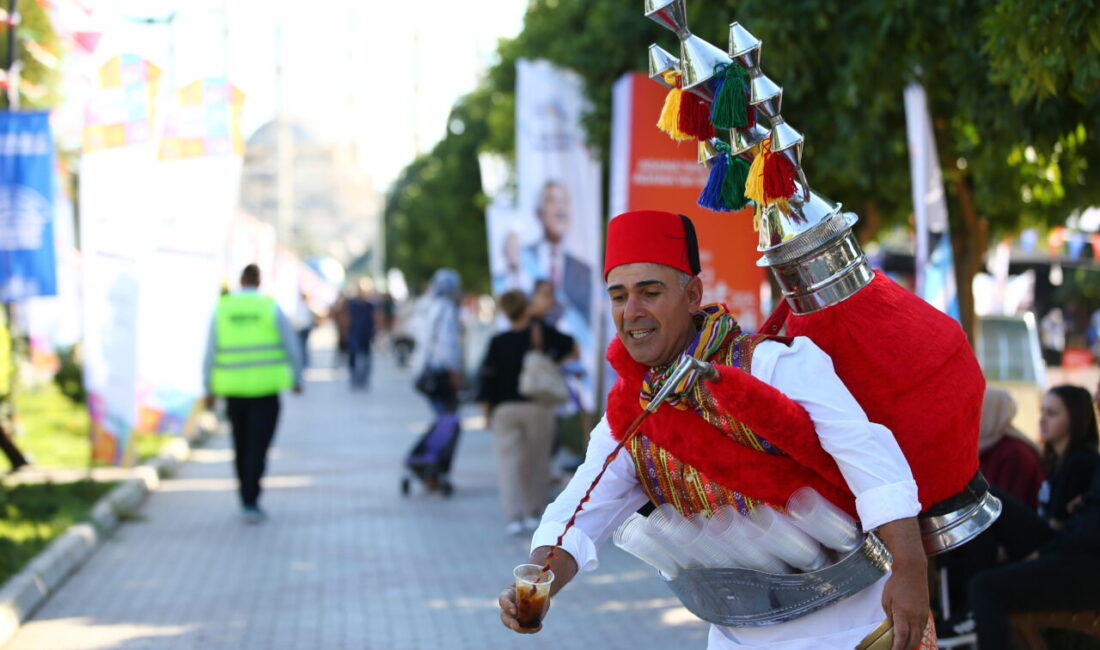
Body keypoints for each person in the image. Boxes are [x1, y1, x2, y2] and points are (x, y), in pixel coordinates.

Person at [499, 211, 932, 650]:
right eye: (618, 296)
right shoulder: (632, 411)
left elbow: (868, 457)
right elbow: (580, 510)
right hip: (736, 635)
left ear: (692, 295)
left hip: (852, 624)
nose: (631, 312)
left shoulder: (773, 364)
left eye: (650, 292)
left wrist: (911, 570)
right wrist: (538, 582)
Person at [203, 264, 303, 524]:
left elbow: (210, 350)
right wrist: (297, 377)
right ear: (258, 281)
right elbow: (290, 343)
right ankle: (252, 497)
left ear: (241, 280)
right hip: (265, 391)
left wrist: (208, 387)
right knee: (259, 446)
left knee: (241, 444)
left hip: (234, 391)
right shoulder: (269, 306)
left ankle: (246, 498)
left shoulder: (223, 307)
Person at [970, 456, 1100, 648]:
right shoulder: (1066, 460)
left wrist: (1042, 553)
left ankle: (975, 611)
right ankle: (969, 612)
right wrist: (1087, 501)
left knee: (984, 587)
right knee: (987, 502)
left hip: (1088, 563)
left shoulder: (1079, 458)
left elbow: (1091, 532)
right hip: (1075, 545)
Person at [477, 289, 576, 536]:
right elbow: (573, 348)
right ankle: (533, 512)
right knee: (538, 461)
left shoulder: (497, 341)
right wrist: (553, 364)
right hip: (537, 406)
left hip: (504, 410)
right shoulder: (540, 333)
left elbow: (487, 380)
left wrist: (486, 412)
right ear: (526, 307)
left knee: (509, 463)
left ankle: (514, 516)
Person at [520, 180, 592, 326]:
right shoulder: (523, 258)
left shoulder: (584, 270)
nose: (560, 208)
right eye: (552, 201)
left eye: (564, 202)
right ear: (538, 212)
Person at [1037, 384, 1100, 529]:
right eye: (1042, 411)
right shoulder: (1056, 459)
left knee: (995, 500)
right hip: (1046, 536)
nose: (1042, 420)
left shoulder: (1081, 462)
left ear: (1075, 419)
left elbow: (1057, 525)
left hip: (1059, 540)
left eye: (1051, 413)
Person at [979, 387, 1045, 509]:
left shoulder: (1014, 453)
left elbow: (1006, 508)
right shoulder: (986, 448)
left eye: (977, 410)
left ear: (992, 413)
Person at [411, 268, 464, 415]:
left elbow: (414, 331)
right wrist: (453, 371)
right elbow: (447, 342)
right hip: (442, 369)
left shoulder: (425, 305)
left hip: (425, 365)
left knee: (441, 413)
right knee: (447, 415)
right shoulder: (446, 308)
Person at [346, 278, 377, 390]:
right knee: (353, 354)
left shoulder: (370, 305)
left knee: (366, 356)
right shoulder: (352, 304)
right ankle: (354, 376)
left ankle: (364, 378)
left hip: (366, 334)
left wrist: (376, 331)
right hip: (354, 332)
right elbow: (348, 318)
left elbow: (375, 318)